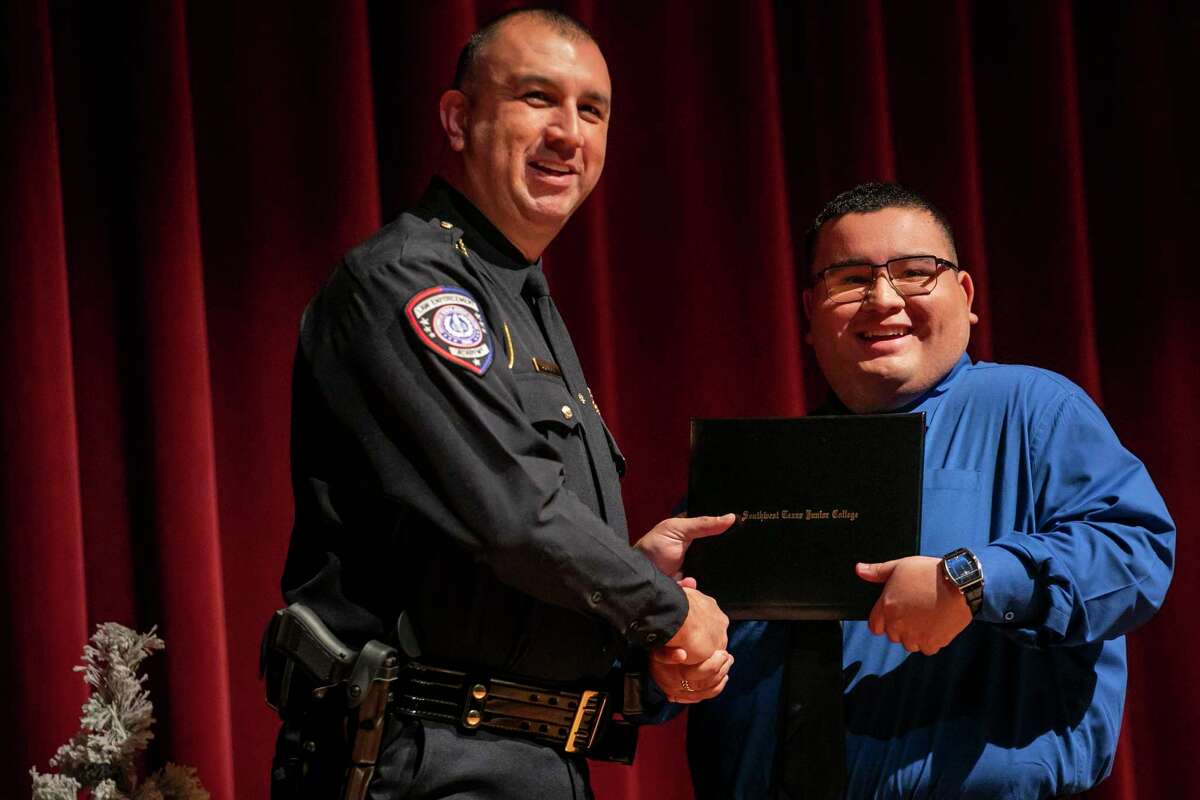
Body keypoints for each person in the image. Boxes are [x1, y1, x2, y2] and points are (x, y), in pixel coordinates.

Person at [271, 9, 734, 799]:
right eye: (536, 99)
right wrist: (663, 610)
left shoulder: (519, 296)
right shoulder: (406, 283)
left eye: (591, 111)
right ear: (459, 118)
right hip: (426, 758)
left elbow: (508, 558)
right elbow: (512, 513)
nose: (568, 133)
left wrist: (632, 590)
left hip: (534, 756)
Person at [684, 182, 1176, 798]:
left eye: (916, 273)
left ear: (965, 295)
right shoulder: (757, 466)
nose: (882, 299)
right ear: (809, 310)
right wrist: (662, 634)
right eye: (850, 278)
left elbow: (1134, 553)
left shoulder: (1033, 409)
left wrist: (967, 581)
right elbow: (669, 666)